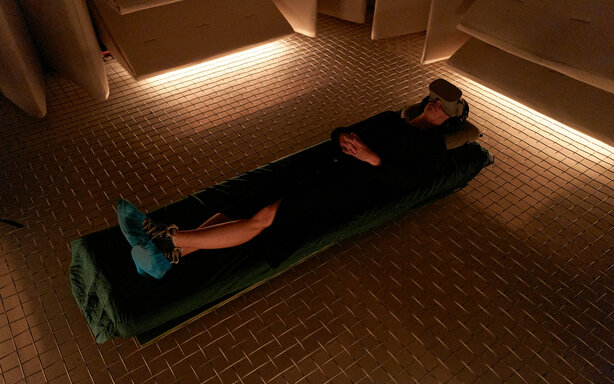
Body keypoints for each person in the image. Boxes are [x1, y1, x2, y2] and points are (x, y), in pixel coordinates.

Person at [118, 78, 471, 279]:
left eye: (445, 106)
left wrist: (373, 158)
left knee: (267, 216)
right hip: (324, 166)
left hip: (349, 190)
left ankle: (166, 235)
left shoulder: (434, 150)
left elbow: (408, 184)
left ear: (452, 120)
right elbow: (344, 130)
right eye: (435, 98)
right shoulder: (389, 118)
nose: (436, 104)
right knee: (245, 202)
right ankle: (165, 255)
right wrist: (343, 137)